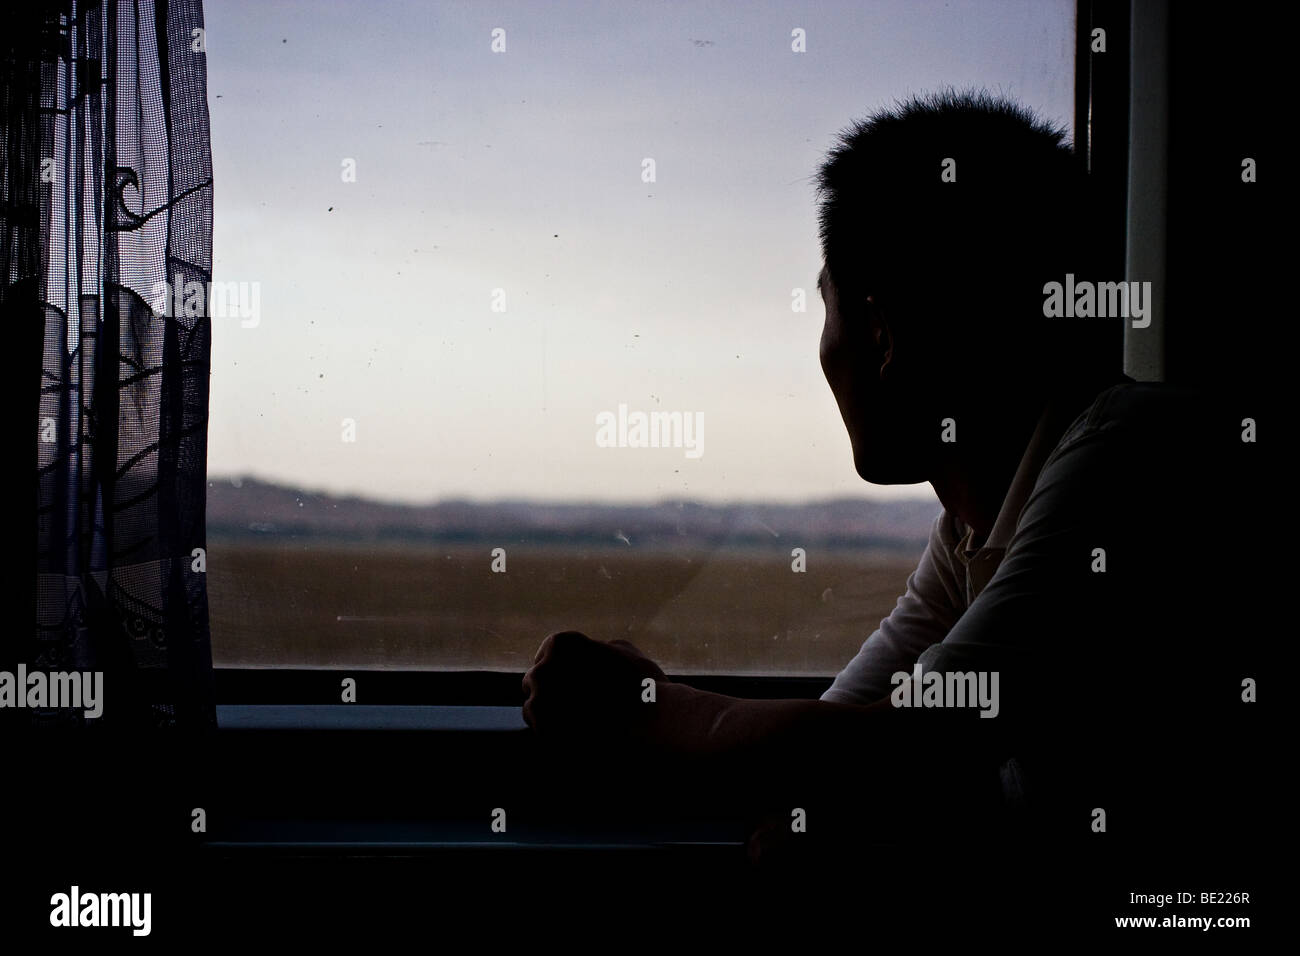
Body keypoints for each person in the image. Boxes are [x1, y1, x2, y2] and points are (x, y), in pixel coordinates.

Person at [521, 90, 1260, 864]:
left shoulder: (1132, 456)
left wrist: (646, 708)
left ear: (881, 334)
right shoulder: (971, 533)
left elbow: (903, 746)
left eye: (828, 309)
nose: (824, 351)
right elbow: (845, 741)